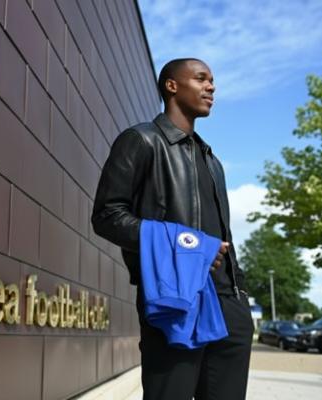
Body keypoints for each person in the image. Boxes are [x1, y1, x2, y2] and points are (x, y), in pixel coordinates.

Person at [91, 58, 254, 400]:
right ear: (172, 86)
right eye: (201, 78)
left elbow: (225, 234)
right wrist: (188, 246)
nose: (211, 86)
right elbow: (107, 215)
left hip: (230, 305)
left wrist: (241, 296)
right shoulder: (141, 140)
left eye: (212, 80)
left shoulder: (212, 161)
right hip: (174, 301)